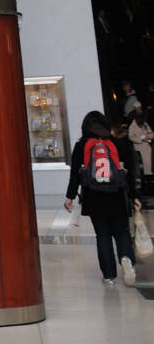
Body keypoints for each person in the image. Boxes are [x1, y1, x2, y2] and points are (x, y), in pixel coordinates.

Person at [65, 111, 141, 287]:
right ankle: (126, 258)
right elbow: (129, 172)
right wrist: (134, 196)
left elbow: (75, 174)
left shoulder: (82, 145)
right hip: (117, 195)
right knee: (122, 232)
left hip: (93, 196)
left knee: (103, 235)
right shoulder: (117, 143)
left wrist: (70, 196)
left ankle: (109, 275)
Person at [130, 109, 153, 189]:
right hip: (138, 148)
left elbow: (151, 133)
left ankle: (149, 180)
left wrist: (148, 137)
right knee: (142, 166)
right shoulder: (132, 126)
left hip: (147, 147)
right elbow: (131, 137)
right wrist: (140, 139)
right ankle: (144, 182)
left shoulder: (145, 124)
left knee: (149, 164)